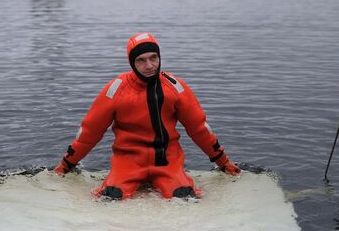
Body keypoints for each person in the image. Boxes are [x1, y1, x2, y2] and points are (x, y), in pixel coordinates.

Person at [53, 32, 240, 199]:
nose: (149, 66)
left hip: (167, 162)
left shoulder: (175, 87)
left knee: (183, 196)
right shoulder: (115, 90)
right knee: (111, 196)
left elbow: (199, 129)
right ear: (131, 63)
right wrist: (66, 164)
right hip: (127, 162)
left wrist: (223, 162)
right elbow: (89, 132)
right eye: (141, 60)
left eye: (154, 58)